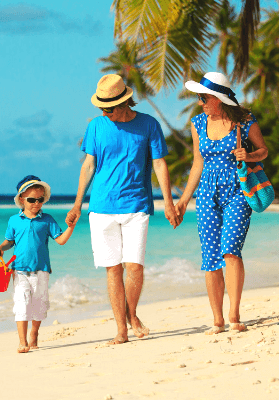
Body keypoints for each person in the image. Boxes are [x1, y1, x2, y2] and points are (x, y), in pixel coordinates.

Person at [66, 74, 178, 345]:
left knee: (135, 267)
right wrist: (77, 203)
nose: (105, 113)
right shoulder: (96, 126)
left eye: (109, 108)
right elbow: (88, 165)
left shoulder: (148, 125)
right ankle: (121, 329)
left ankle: (133, 314)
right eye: (102, 108)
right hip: (102, 207)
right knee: (113, 269)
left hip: (136, 204)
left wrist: (169, 202)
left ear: (125, 102)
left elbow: (160, 164)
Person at [174, 72, 268, 334]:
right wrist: (183, 200)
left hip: (238, 192)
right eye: (200, 98)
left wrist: (248, 155)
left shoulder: (245, 122)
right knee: (211, 257)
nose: (201, 102)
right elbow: (197, 163)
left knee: (230, 251)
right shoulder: (198, 123)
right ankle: (217, 319)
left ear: (218, 99)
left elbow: (264, 151)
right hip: (206, 195)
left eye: (204, 98)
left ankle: (234, 315)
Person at [0, 175, 74, 353]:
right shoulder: (14, 220)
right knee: (21, 303)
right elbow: (9, 241)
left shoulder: (47, 220)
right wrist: (1, 247)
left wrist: (70, 227)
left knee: (39, 304)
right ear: (22, 199)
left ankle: (34, 334)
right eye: (32, 200)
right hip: (19, 270)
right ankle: (22, 341)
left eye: (40, 200)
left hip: (41, 270)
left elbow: (60, 240)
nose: (36, 203)